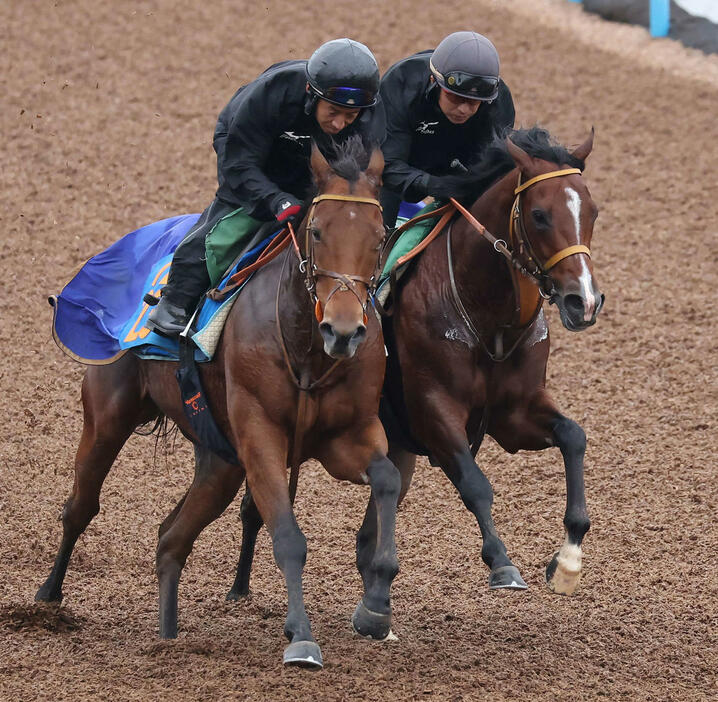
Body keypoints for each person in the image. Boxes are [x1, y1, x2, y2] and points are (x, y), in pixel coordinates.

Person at [147, 38, 385, 336]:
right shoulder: (274, 92)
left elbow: (359, 180)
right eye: (333, 112)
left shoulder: (370, 116)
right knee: (230, 227)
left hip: (316, 168)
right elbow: (239, 163)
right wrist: (275, 200)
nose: (339, 124)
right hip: (250, 155)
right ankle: (176, 301)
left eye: (350, 117)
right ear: (312, 94)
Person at [379, 31, 516, 229]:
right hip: (404, 159)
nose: (464, 110)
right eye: (455, 97)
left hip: (464, 164)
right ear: (434, 82)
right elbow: (388, 165)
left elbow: (491, 176)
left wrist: (462, 185)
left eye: (474, 103)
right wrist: (432, 184)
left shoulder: (499, 103)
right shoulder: (401, 83)